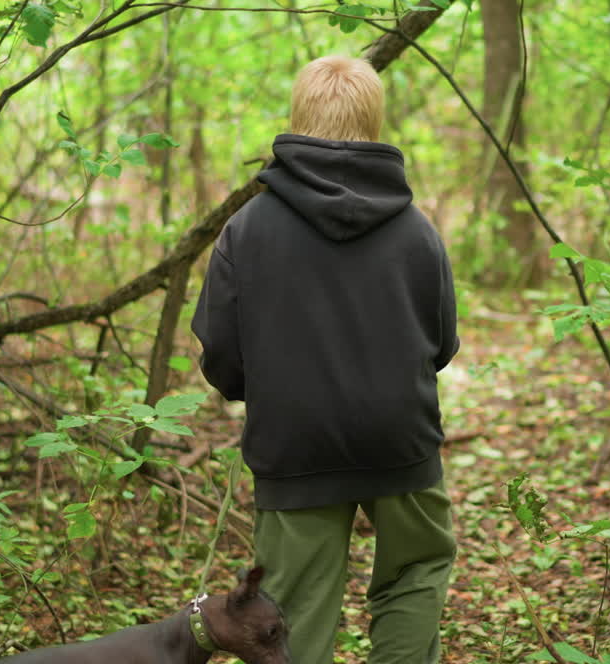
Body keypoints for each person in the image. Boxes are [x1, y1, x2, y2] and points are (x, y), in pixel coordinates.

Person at [191, 54, 460, 664]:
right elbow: (441, 345)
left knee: (290, 610)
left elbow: (223, 358)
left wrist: (258, 389)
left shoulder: (248, 229)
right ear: (375, 122)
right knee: (415, 572)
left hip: (295, 441)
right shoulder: (417, 231)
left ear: (297, 118)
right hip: (400, 435)